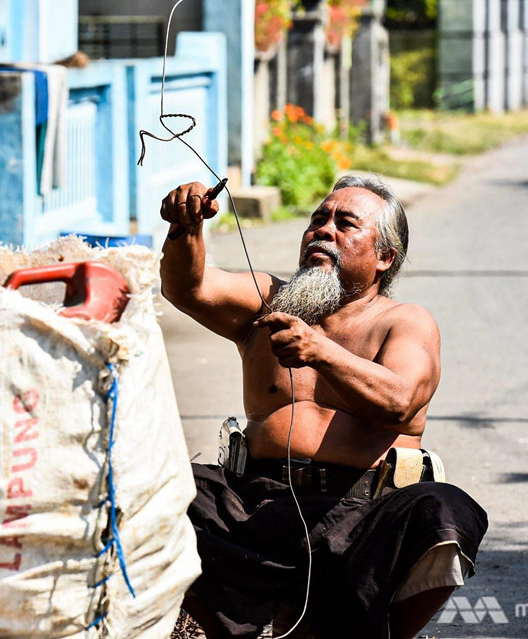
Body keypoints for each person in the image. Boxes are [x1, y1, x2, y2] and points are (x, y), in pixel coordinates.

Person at [160, 174, 488, 639]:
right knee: (160, 488)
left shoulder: (405, 322)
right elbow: (188, 288)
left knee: (445, 510)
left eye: (345, 223)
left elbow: (398, 401)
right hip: (253, 506)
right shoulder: (268, 299)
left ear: (384, 257)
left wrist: (321, 352)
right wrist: (186, 228)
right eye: (318, 219)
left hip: (361, 517)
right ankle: (225, 631)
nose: (324, 230)